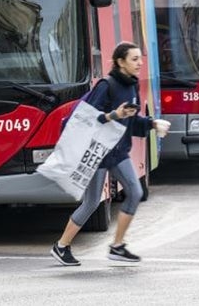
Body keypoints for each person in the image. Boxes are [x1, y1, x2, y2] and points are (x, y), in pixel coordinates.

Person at [50, 41, 168, 266]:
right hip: (99, 153)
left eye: (140, 59)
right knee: (93, 201)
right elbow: (90, 118)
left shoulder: (132, 86)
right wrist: (114, 114)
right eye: (134, 59)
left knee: (134, 192)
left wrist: (152, 124)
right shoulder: (107, 85)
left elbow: (131, 121)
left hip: (119, 151)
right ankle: (62, 246)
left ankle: (117, 246)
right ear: (120, 62)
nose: (139, 63)